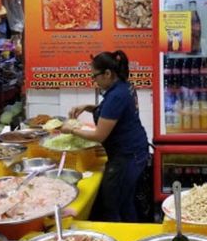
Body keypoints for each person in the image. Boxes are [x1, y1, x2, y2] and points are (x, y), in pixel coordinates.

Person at [61, 50, 149, 222]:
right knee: (124, 198)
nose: (94, 81)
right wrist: (89, 107)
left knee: (116, 202)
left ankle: (124, 237)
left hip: (127, 156)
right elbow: (114, 113)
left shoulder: (117, 95)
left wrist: (70, 130)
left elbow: (99, 135)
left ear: (107, 74)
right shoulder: (123, 86)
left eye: (95, 76)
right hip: (135, 150)